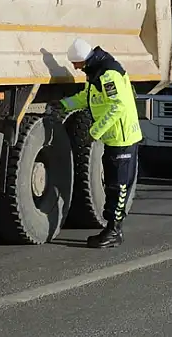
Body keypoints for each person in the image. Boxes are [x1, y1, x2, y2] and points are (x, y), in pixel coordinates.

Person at [58, 38, 142, 249]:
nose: (75, 68)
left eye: (75, 64)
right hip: (113, 138)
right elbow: (87, 99)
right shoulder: (96, 73)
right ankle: (112, 228)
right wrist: (63, 105)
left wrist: (94, 132)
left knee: (118, 185)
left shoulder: (108, 74)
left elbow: (117, 106)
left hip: (122, 138)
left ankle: (114, 230)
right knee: (113, 183)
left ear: (82, 60)